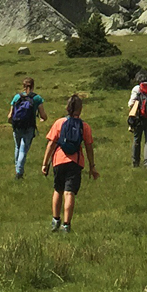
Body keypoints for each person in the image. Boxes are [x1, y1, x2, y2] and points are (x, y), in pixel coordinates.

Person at [39, 93, 97, 232]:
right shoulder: (84, 126)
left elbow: (51, 144)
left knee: (58, 190)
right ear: (80, 109)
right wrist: (92, 166)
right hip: (75, 162)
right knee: (69, 193)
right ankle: (66, 224)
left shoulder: (59, 123)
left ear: (67, 107)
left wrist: (45, 163)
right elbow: (89, 147)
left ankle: (55, 220)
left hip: (59, 161)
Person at [7, 77, 47, 180]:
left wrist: (13, 123)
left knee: (17, 147)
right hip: (29, 127)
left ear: (23, 86)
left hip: (17, 126)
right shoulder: (37, 98)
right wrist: (42, 119)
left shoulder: (16, 97)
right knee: (23, 150)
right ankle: (19, 173)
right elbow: (44, 116)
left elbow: (10, 116)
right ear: (33, 86)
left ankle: (17, 170)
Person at [126, 70, 147, 169]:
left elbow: (130, 104)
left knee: (137, 140)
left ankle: (135, 162)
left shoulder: (137, 89)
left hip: (138, 118)